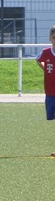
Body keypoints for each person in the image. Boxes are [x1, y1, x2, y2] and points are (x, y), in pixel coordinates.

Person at [36, 25, 55, 157]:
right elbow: (38, 60)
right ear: (50, 38)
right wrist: (45, 68)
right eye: (54, 37)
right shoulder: (46, 52)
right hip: (50, 93)